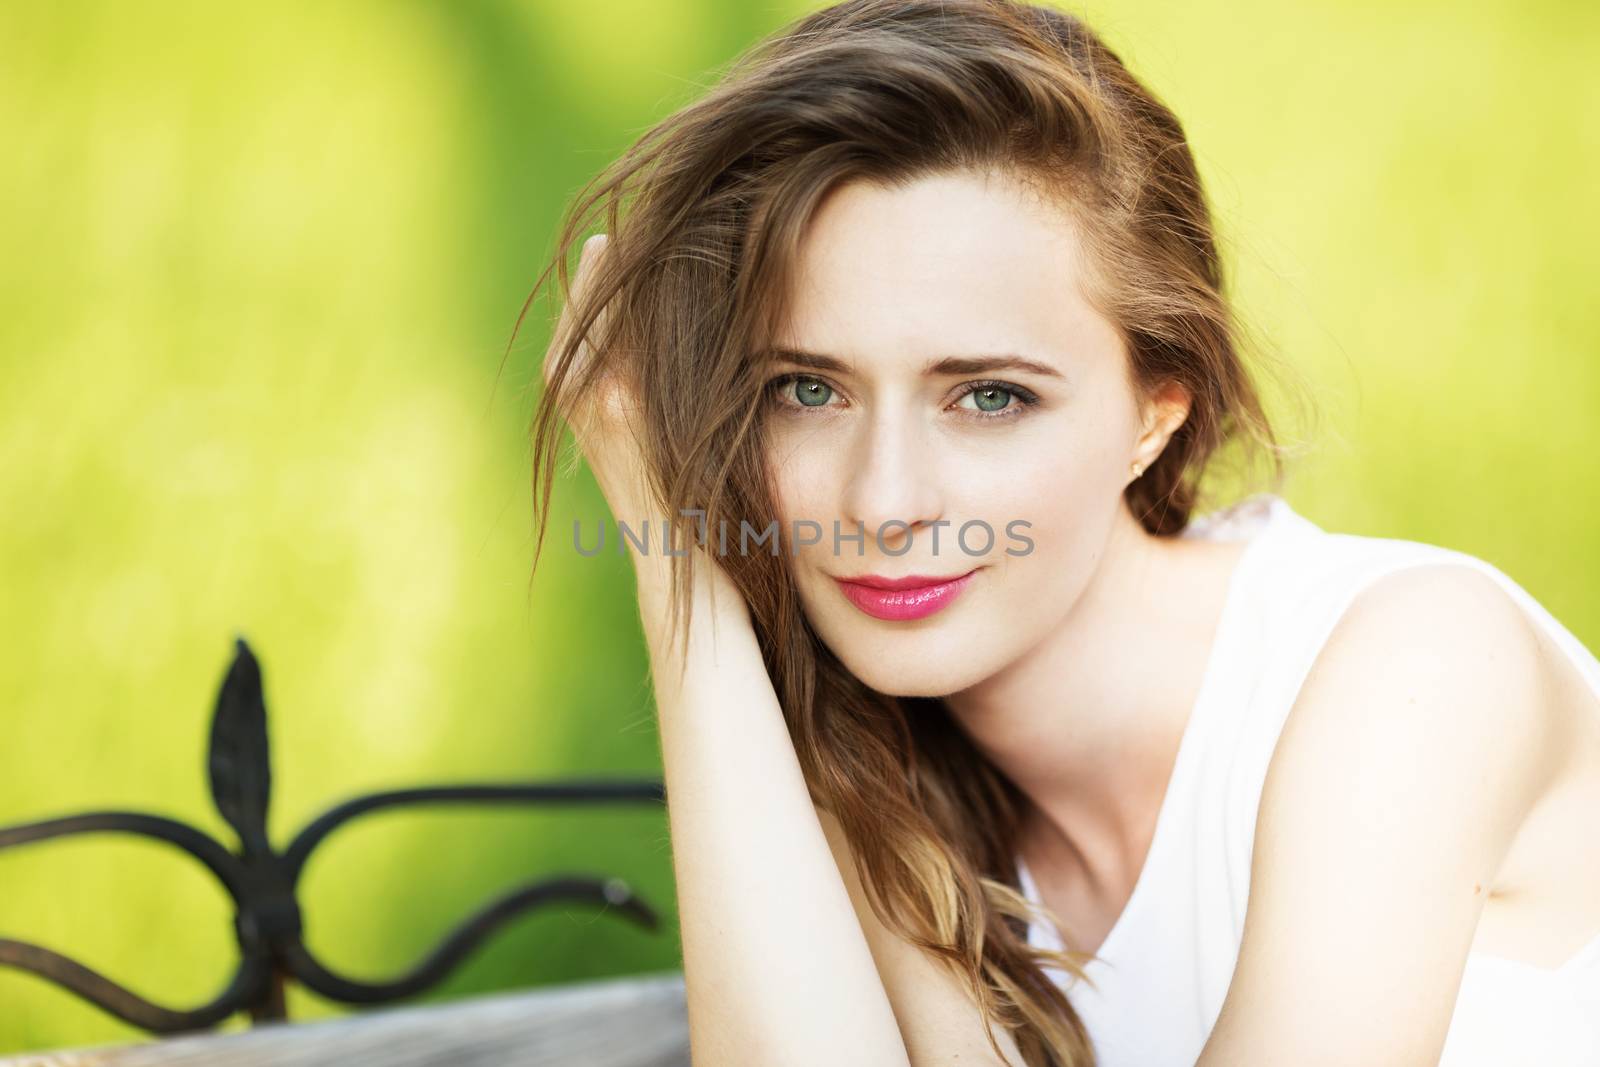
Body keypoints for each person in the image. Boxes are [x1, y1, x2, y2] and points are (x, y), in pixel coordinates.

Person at [518, 1, 1600, 1063]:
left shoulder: (1417, 669)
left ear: (1151, 416)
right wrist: (679, 560)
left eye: (987, 397)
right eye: (807, 388)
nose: (884, 502)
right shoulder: (884, 785)